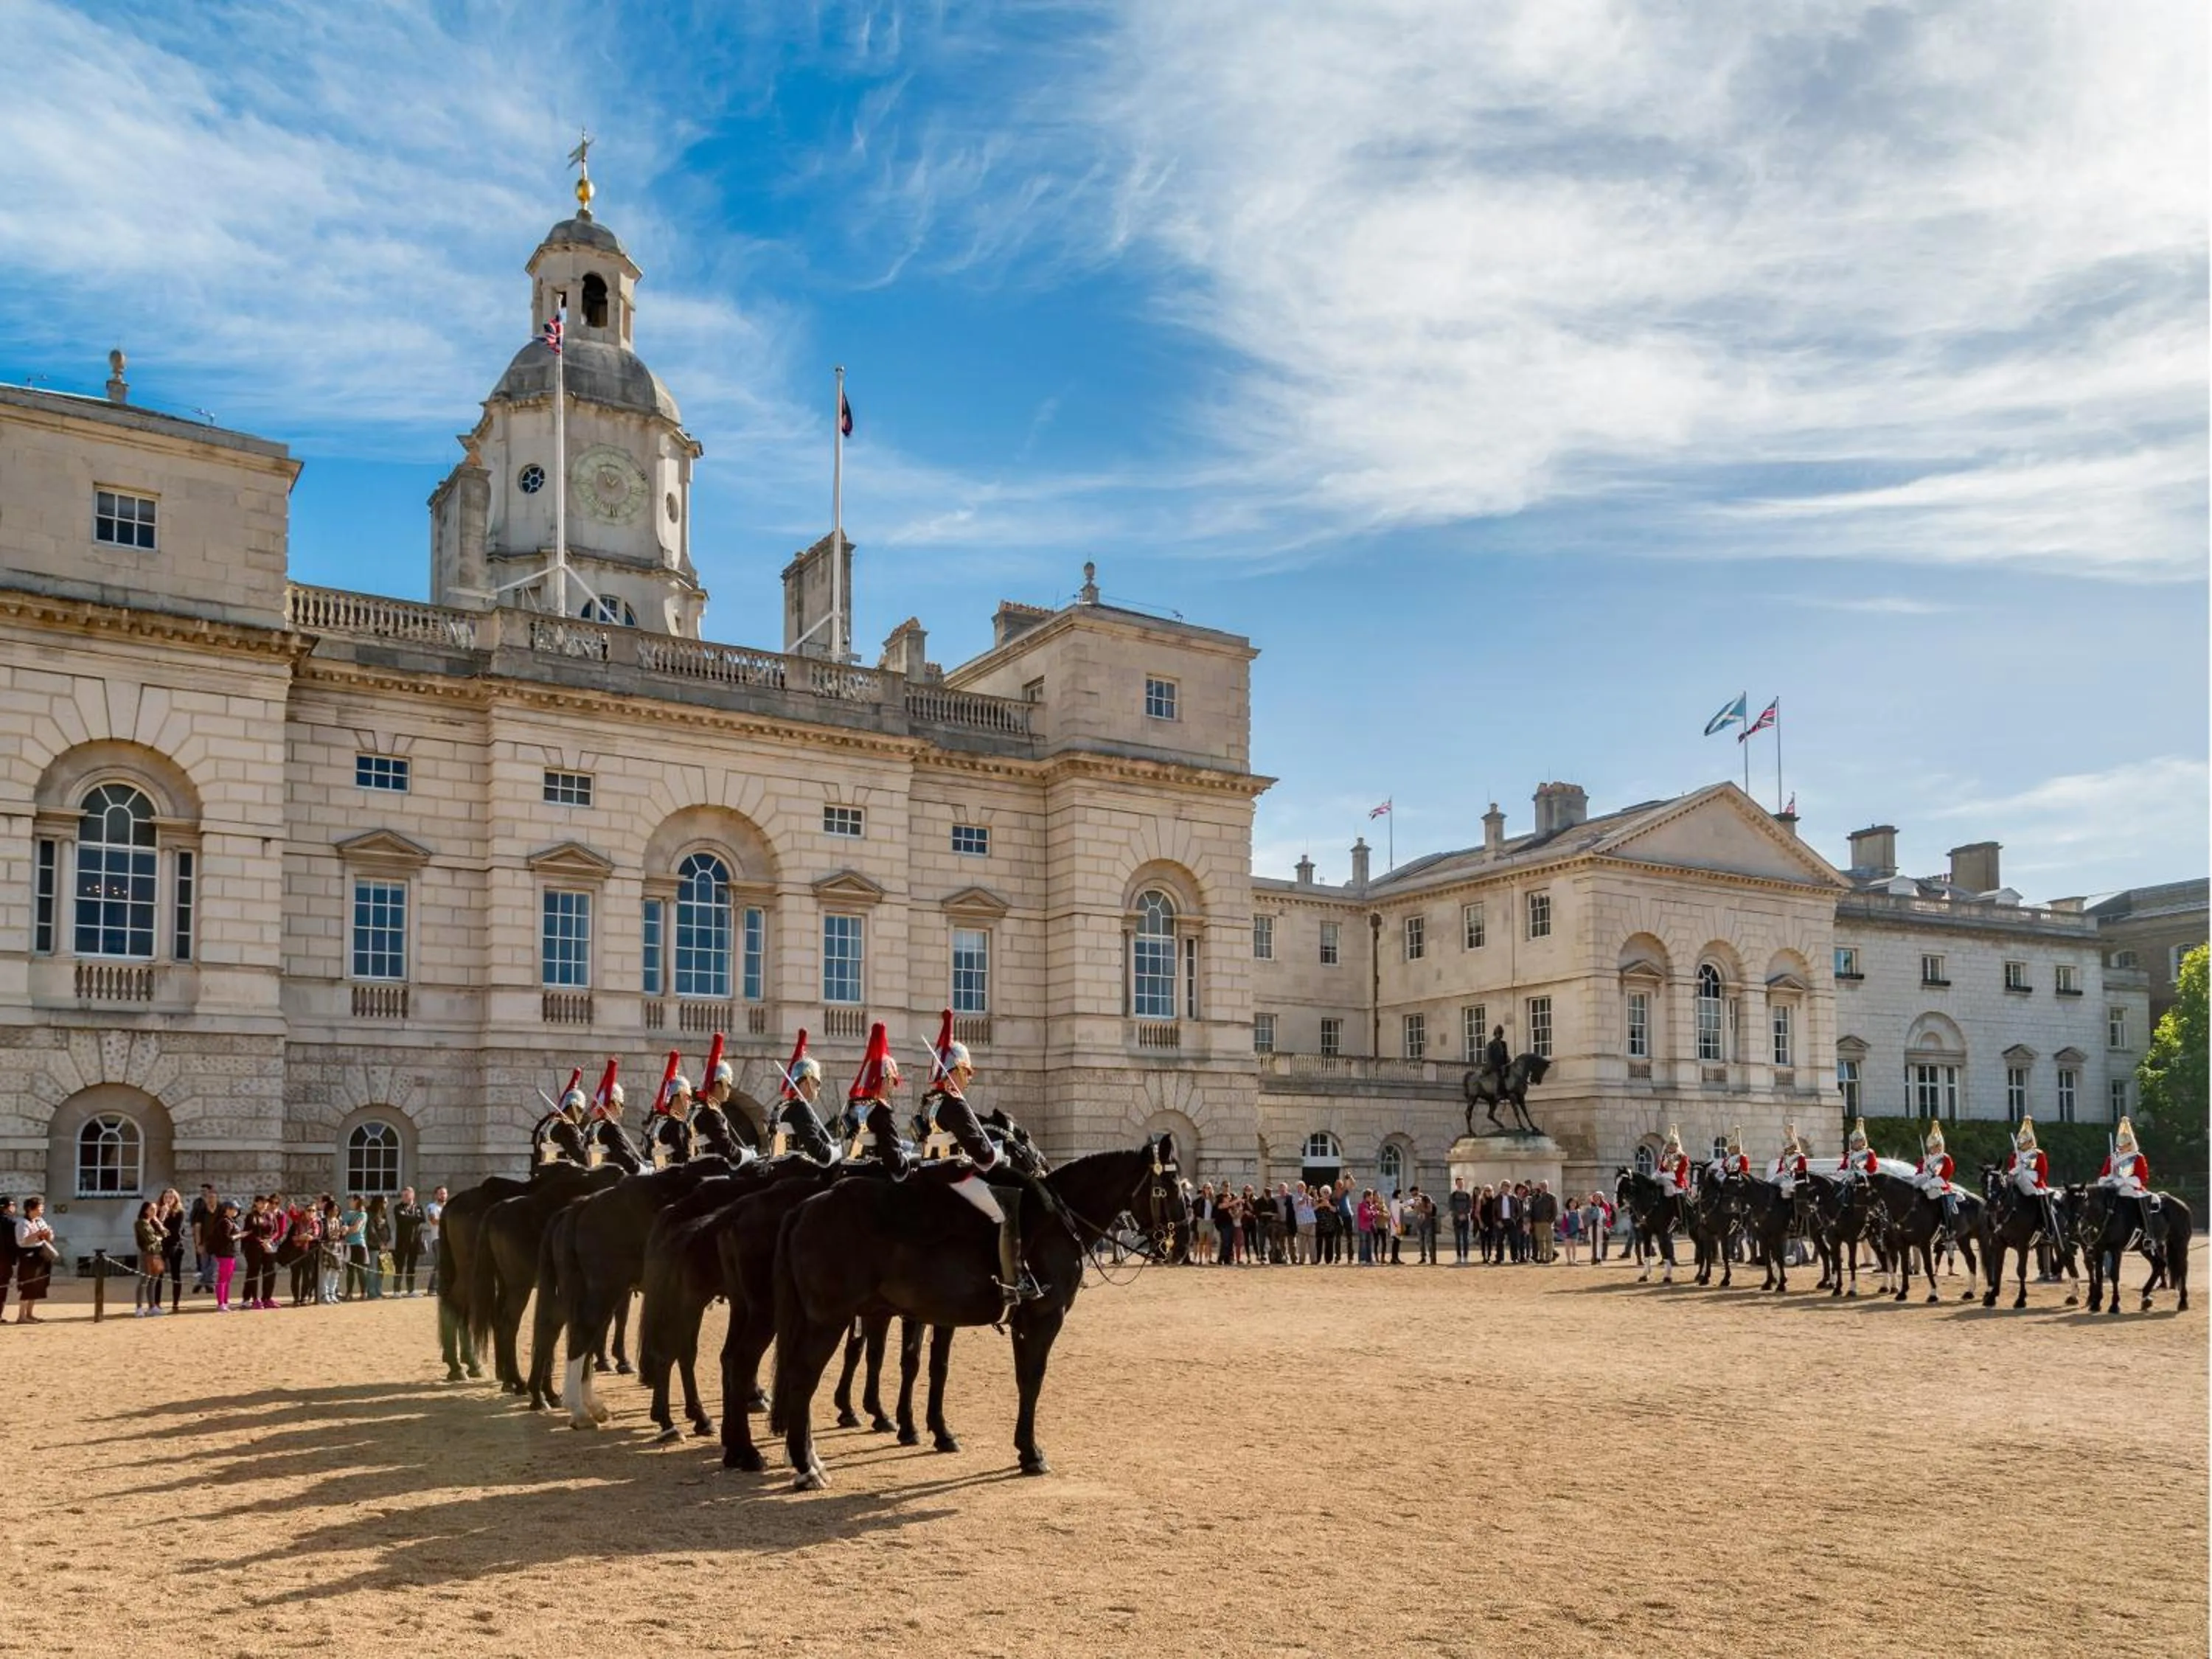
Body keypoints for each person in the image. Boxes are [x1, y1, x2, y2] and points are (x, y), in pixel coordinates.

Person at [2099, 1116, 2164, 1243]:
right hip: (2113, 1187)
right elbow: (2104, 1174)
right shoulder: (2112, 1158)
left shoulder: (2138, 1158)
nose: (2121, 1148)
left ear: (2130, 1144)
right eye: (2119, 1145)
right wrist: (2108, 1179)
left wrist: (2124, 1181)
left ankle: (2148, 1234)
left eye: (2124, 1145)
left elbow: (2142, 1177)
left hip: (2132, 1188)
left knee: (2141, 1203)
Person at [2006, 1118, 2062, 1242]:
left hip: (2035, 1183)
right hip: (2017, 1182)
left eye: (2025, 1140)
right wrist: (2014, 1172)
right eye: (2021, 1140)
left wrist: (2027, 1172)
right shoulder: (2015, 1155)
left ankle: (2046, 1228)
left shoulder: (2038, 1154)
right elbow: (2011, 1168)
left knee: (2043, 1203)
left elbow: (2042, 1172)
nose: (2022, 1143)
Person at [13, 1196, 56, 1322]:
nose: (42, 1211)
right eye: (39, 1208)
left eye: (42, 1208)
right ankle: (21, 1316)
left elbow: (49, 1239)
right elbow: (21, 1241)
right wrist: (37, 1234)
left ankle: (30, 1314)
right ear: (30, 1209)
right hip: (28, 1255)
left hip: (40, 1253)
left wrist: (48, 1234)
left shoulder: (40, 1221)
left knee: (37, 1285)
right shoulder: (22, 1223)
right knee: (28, 1285)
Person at [1915, 1121, 1958, 1231]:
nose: (1934, 1149)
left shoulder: (1945, 1158)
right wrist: (1919, 1179)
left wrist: (1930, 1184)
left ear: (1940, 1146)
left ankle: (1947, 1226)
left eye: (1936, 1146)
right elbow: (1919, 1172)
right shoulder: (1924, 1159)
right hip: (1925, 1184)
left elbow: (1945, 1176)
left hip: (1940, 1186)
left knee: (1943, 1200)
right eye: (1932, 1147)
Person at [208, 1197, 241, 1312]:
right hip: (224, 1254)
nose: (236, 1211)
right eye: (233, 1209)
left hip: (230, 1253)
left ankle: (225, 1301)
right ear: (227, 1210)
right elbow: (226, 1238)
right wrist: (239, 1235)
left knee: (227, 1279)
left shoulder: (230, 1221)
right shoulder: (224, 1221)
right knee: (223, 1279)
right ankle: (221, 1303)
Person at [286, 1201, 321, 1307]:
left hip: (310, 1252)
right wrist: (300, 1237)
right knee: (295, 1276)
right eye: (309, 1210)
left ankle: (304, 1297)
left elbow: (319, 1237)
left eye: (313, 1211)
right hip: (296, 1252)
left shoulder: (317, 1223)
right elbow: (290, 1238)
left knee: (308, 1276)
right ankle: (296, 1298)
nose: (311, 1213)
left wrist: (312, 1238)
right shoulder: (297, 1223)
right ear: (305, 1211)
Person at [392, 1187, 425, 1295]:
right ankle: (397, 1290)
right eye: (403, 1195)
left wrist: (410, 1218)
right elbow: (401, 1219)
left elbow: (423, 1219)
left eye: (406, 1195)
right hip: (402, 1241)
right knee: (399, 1266)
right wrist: (415, 1218)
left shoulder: (418, 1207)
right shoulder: (398, 1207)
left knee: (412, 1266)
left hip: (415, 1241)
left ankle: (411, 1290)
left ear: (412, 1195)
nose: (404, 1197)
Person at [158, 1189, 186, 1313]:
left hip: (175, 1245)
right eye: (166, 1197)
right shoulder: (158, 1211)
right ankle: (156, 1304)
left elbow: (176, 1232)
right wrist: (162, 1216)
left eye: (171, 1198)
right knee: (158, 1275)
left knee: (176, 1274)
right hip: (161, 1246)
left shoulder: (180, 1212)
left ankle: (175, 1303)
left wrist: (164, 1233)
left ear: (175, 1200)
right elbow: (156, 1229)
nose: (168, 1200)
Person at [189, 1182, 219, 1294]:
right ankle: (208, 1284)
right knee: (204, 1263)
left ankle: (203, 1283)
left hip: (216, 1241)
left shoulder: (220, 1208)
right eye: (202, 1192)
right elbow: (195, 1223)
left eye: (205, 1192)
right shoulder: (199, 1206)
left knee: (213, 1264)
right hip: (203, 1239)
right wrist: (198, 1243)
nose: (204, 1194)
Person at [338, 1194, 368, 1300]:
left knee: (361, 1270)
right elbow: (340, 1223)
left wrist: (347, 1229)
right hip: (348, 1245)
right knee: (350, 1271)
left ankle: (364, 1293)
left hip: (359, 1245)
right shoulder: (348, 1214)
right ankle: (349, 1293)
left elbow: (357, 1228)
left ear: (356, 1201)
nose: (349, 1202)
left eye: (351, 1200)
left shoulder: (362, 1214)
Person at [364, 1194, 392, 1299]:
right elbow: (371, 1230)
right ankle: (372, 1292)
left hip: (384, 1246)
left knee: (382, 1270)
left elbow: (387, 1228)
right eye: (384, 1202)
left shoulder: (383, 1214)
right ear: (378, 1203)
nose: (386, 1204)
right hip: (373, 1246)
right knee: (373, 1270)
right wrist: (380, 1243)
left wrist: (387, 1241)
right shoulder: (370, 1213)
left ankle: (379, 1291)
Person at [1655, 1124, 1691, 1201]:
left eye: (1671, 1145)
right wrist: (1656, 1174)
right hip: (1665, 1182)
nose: (1669, 1147)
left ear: (1676, 1145)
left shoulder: (1683, 1157)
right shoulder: (1666, 1156)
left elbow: (1678, 1174)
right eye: (1669, 1145)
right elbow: (1661, 1169)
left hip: (1677, 1184)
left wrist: (1664, 1175)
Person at [1771, 1123, 1809, 1197]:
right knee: (1770, 1183)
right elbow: (1780, 1169)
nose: (1787, 1150)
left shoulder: (1799, 1156)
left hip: (1792, 1178)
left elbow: (1801, 1170)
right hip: (1783, 1176)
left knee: (1785, 1187)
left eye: (1789, 1148)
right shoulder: (1784, 1157)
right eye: (1787, 1149)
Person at [1839, 1116, 1879, 1180]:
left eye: (1857, 1141)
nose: (1854, 1143)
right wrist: (1841, 1171)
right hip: (1849, 1178)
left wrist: (1861, 1171)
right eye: (1853, 1141)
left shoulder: (1869, 1153)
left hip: (1864, 1179)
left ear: (1863, 1142)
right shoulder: (1849, 1154)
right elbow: (1843, 1166)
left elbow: (1872, 1169)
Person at [0, 1197, 17, 1325]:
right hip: (4, 1260)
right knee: (2, 1288)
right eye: (13, 1205)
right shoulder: (10, 1223)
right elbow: (13, 1243)